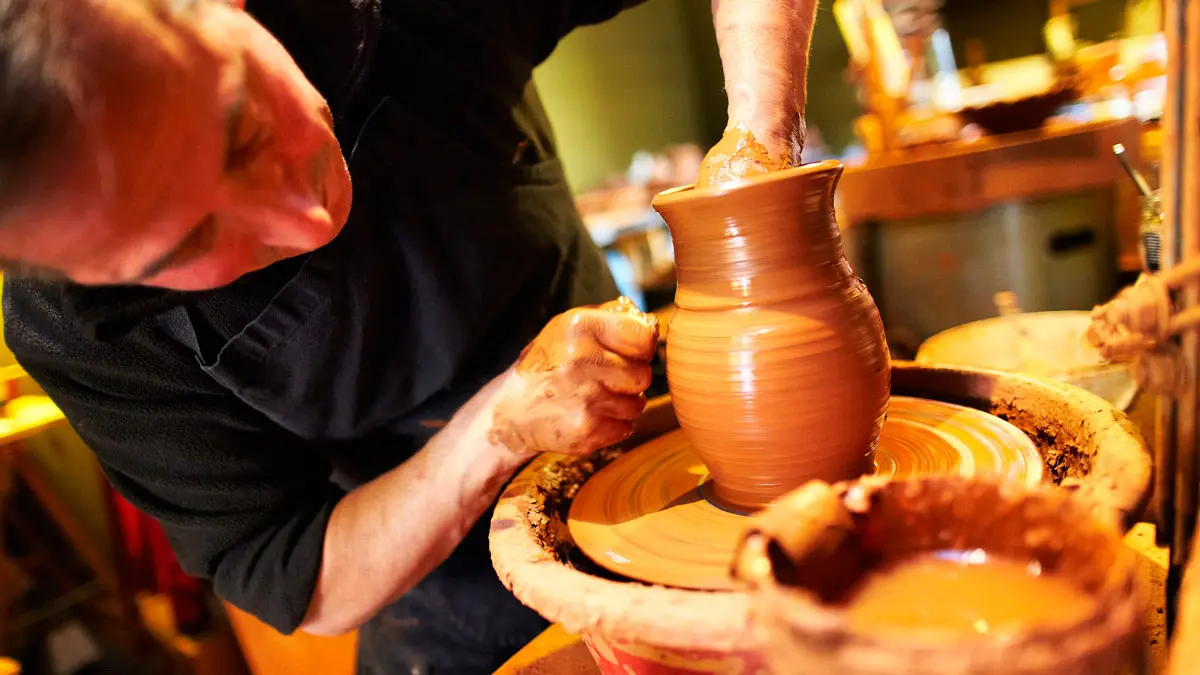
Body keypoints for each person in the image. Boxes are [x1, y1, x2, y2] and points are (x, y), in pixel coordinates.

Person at [0, 0, 817, 672]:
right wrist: (497, 428)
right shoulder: (74, 327)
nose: (309, 216)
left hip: (679, 448)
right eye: (190, 244)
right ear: (99, 273)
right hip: (431, 573)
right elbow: (297, 573)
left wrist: (760, 145)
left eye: (244, 130)